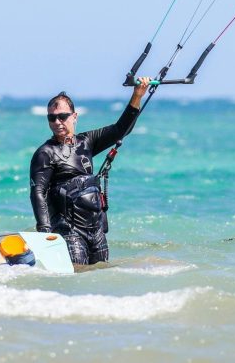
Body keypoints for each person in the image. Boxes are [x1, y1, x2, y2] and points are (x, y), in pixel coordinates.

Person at [29, 78, 151, 265]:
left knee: (100, 278)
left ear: (74, 116)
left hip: (96, 230)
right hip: (69, 231)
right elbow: (38, 192)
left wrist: (137, 95)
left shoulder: (86, 142)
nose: (57, 122)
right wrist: (44, 230)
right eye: (51, 118)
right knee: (77, 276)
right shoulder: (45, 153)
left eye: (62, 116)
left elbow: (120, 129)